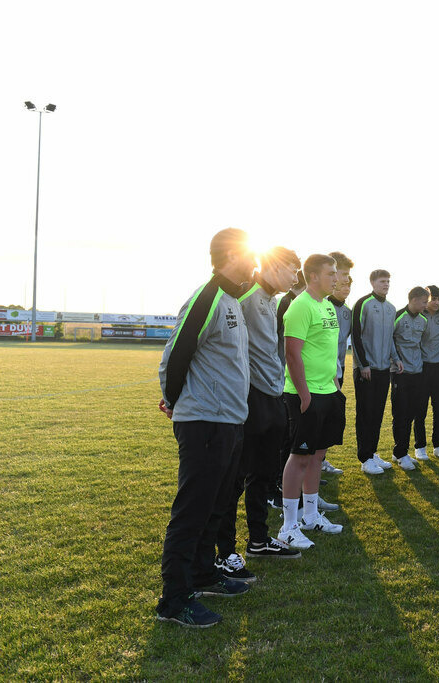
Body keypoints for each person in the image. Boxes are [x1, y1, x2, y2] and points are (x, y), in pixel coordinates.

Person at [155, 227, 255, 628]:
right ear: (231, 255)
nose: (256, 263)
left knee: (215, 506)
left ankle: (202, 574)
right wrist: (178, 403)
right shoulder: (207, 297)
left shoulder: (232, 299)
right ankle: (174, 600)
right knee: (192, 511)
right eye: (251, 255)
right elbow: (175, 355)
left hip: (230, 421)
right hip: (205, 422)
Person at [214, 246, 303, 583]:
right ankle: (224, 552)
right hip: (251, 399)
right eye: (292, 271)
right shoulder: (247, 295)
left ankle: (259, 539)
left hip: (273, 395)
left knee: (264, 474)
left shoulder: (272, 300)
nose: (295, 279)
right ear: (275, 266)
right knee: (235, 478)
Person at [277, 254, 346, 550]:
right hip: (305, 395)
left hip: (328, 392)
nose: (337, 278)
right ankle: (288, 525)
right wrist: (304, 393)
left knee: (318, 455)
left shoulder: (327, 304)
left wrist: (333, 385)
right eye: (331, 274)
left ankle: (310, 515)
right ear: (314, 276)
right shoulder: (300, 306)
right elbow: (292, 353)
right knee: (300, 456)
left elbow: (326, 350)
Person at [352, 269, 402, 474]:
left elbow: (390, 337)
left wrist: (396, 358)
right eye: (382, 281)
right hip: (367, 369)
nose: (386, 284)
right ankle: (364, 458)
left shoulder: (391, 308)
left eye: (388, 281)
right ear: (372, 282)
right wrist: (363, 364)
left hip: (383, 369)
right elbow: (356, 335)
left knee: (378, 413)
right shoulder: (362, 303)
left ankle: (372, 452)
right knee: (365, 413)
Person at [390, 287, 431, 470]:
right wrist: (397, 360)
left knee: (412, 413)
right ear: (414, 300)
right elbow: (389, 340)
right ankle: (400, 453)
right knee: (401, 413)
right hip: (400, 373)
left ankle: (401, 452)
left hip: (418, 372)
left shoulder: (423, 320)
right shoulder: (397, 316)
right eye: (424, 301)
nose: (426, 305)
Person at [323, 251, 355, 477]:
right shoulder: (320, 305)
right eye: (343, 274)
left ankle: (321, 460)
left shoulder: (347, 311)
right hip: (321, 373)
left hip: (339, 370)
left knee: (329, 418)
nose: (346, 280)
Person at [415, 284, 439, 461]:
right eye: (432, 299)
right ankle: (420, 447)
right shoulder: (417, 315)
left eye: (438, 299)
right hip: (421, 367)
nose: (436, 302)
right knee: (420, 408)